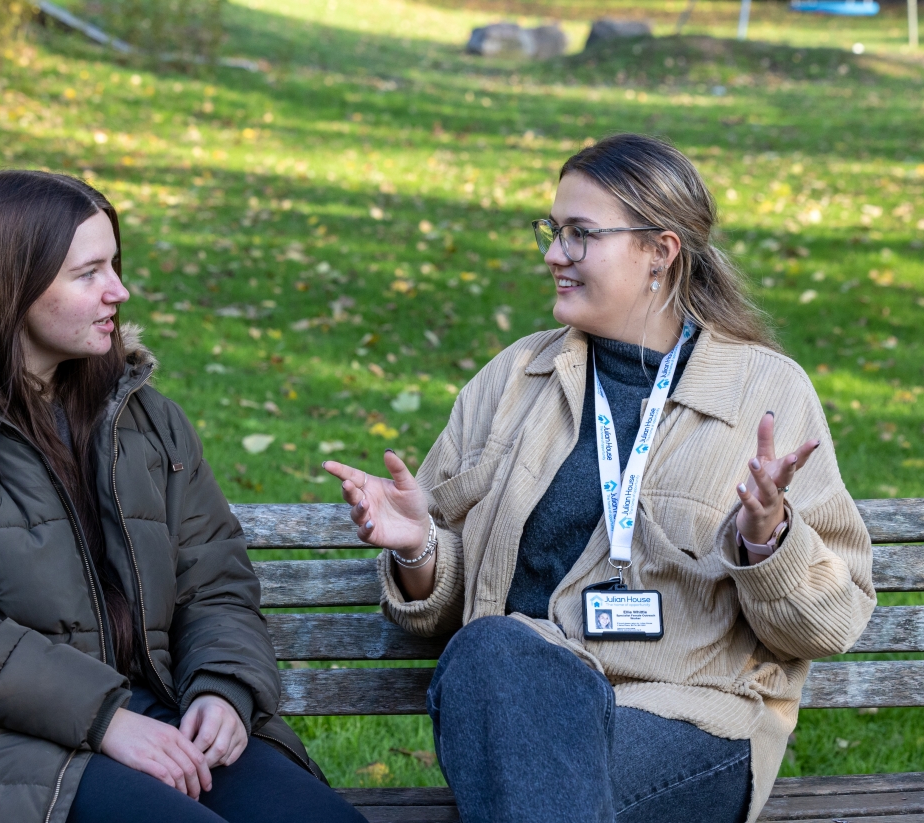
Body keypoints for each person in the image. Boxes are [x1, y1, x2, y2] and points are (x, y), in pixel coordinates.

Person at [324, 134, 874, 823]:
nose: (554, 254)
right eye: (552, 232)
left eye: (580, 234)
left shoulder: (761, 391)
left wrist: (770, 542)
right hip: (514, 705)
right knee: (493, 651)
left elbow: (829, 620)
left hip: (682, 719)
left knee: (532, 776)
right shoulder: (511, 380)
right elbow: (445, 611)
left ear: (659, 251)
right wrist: (418, 551)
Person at [0, 170, 366, 823]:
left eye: (115, 264)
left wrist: (223, 689)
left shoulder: (144, 417)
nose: (119, 291)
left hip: (145, 711)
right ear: (11, 284)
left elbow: (214, 584)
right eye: (89, 273)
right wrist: (104, 717)